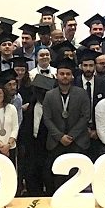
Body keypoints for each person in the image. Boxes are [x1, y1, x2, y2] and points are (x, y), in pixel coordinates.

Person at [42, 58, 91, 193]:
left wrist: (71, 136)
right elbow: (47, 119)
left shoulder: (81, 93)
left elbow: (85, 116)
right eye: (62, 74)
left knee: (76, 176)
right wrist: (60, 136)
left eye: (68, 74)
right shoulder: (49, 95)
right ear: (56, 75)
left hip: (77, 141)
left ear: (72, 76)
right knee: (57, 177)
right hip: (56, 142)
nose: (65, 76)